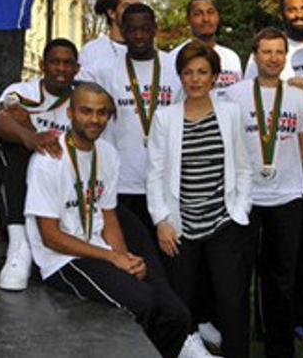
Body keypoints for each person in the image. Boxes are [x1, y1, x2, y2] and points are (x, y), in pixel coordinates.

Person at [26, 81, 196, 358]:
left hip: (100, 249)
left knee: (177, 315)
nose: (95, 119)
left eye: (102, 113)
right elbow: (50, 237)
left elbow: (108, 215)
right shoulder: (48, 161)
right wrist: (112, 259)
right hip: (62, 260)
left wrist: (123, 257)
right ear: (70, 113)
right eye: (86, 111)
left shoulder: (107, 154)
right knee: (143, 301)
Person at [147, 41, 253, 358]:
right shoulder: (164, 118)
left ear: (215, 77)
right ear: (180, 76)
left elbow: (244, 168)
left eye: (203, 72)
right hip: (179, 227)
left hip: (224, 222)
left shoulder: (231, 114)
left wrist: (240, 211)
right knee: (180, 301)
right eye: (188, 72)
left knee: (232, 301)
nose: (195, 79)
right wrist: (161, 221)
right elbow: (154, 173)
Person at [222, 28, 303, 358]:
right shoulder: (234, 94)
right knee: (238, 278)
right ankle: (237, 347)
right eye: (266, 52)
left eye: (279, 52)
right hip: (246, 199)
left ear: (285, 57)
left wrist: (279, 166)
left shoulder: (299, 95)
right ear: (255, 55)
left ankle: (280, 347)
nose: (273, 58)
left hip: (287, 196)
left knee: (282, 279)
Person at [252, 0, 303, 348]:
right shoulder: (270, 50)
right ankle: (267, 322)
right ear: (282, 13)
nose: (298, 14)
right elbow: (256, 98)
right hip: (280, 159)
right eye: (291, 9)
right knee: (271, 256)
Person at [0, 37, 79, 291]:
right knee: (12, 148)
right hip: (21, 176)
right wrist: (30, 137)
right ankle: (19, 246)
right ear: (42, 64)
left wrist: (31, 128)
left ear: (77, 68)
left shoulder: (81, 99)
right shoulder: (21, 90)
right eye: (54, 62)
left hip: (61, 180)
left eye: (67, 63)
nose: (61, 69)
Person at [95, 3, 182, 230]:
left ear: (155, 28)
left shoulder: (175, 69)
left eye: (144, 28)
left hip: (166, 182)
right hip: (122, 183)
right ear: (122, 31)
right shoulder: (104, 71)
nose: (139, 35)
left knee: (167, 258)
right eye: (132, 29)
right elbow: (70, 88)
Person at [172, 0, 243, 96]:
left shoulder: (232, 57)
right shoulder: (174, 57)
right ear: (188, 19)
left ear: (218, 16)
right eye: (198, 14)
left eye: (210, 12)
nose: (206, 19)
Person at [79, 0, 139, 82]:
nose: (134, 12)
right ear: (112, 13)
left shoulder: (145, 49)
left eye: (137, 7)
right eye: (127, 7)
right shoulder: (92, 50)